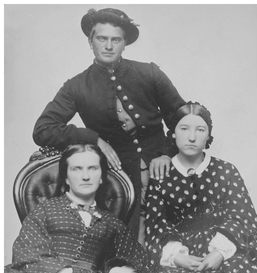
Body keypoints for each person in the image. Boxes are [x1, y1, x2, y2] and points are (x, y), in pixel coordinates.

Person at [32, 8, 186, 243]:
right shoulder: (76, 86)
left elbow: (181, 118)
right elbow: (43, 129)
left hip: (164, 166)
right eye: (101, 38)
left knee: (181, 234)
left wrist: (166, 153)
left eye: (116, 40)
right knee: (127, 242)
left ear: (125, 44)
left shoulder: (149, 73)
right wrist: (92, 138)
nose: (108, 46)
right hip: (118, 174)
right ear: (90, 41)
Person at [4, 144, 174, 273]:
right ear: (67, 178)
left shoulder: (112, 223)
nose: (85, 176)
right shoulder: (45, 210)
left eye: (92, 169)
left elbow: (135, 260)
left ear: (101, 177)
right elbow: (28, 254)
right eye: (77, 169)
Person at [144, 102, 257, 273]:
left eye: (200, 129)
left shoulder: (226, 170)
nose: (191, 137)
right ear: (173, 134)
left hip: (228, 251)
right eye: (184, 128)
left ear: (209, 136)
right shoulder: (161, 174)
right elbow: (155, 223)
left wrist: (220, 252)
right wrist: (177, 257)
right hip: (181, 258)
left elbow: (243, 215)